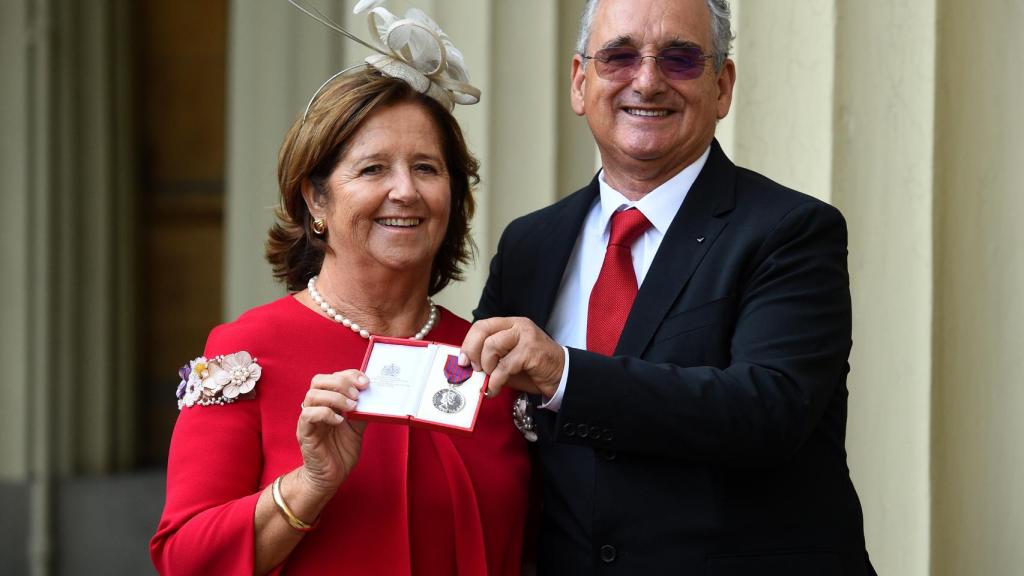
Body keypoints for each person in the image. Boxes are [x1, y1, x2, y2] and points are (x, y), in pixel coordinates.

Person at [459, 0, 876, 573]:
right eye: (620, 56)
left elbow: (767, 411)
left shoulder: (790, 231)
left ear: (722, 86)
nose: (647, 81)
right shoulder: (531, 244)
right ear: (581, 83)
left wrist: (566, 375)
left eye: (679, 59)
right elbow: (488, 422)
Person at [150, 6, 529, 574]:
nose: (405, 191)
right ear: (316, 199)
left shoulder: (487, 362)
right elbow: (185, 560)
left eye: (426, 168)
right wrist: (308, 486)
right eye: (373, 169)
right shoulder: (245, 352)